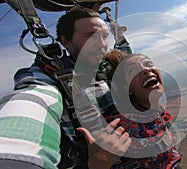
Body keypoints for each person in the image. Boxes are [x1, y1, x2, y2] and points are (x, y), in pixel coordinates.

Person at [0, 6, 131, 169]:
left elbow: (127, 60)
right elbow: (36, 96)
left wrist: (121, 38)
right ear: (66, 42)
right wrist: (15, 154)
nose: (101, 43)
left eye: (104, 36)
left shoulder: (108, 66)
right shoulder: (51, 76)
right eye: (90, 36)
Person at [101, 50, 182, 169]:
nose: (146, 70)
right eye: (133, 70)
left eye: (148, 64)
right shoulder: (119, 126)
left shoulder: (156, 113)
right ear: (126, 88)